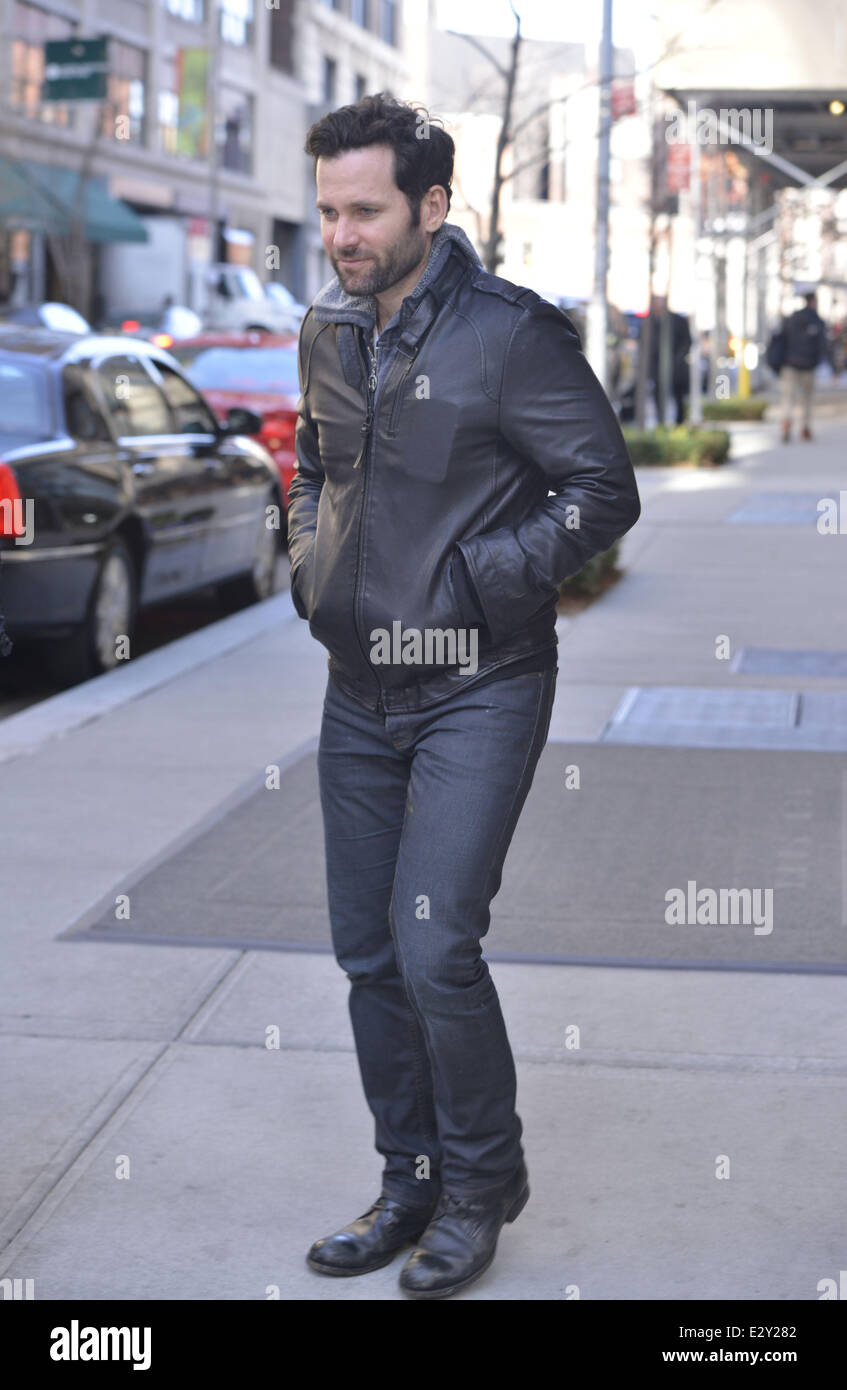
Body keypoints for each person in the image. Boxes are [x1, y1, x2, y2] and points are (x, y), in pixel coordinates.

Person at [287, 92, 641, 1300]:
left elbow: (601, 487)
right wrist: (308, 563)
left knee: (434, 942)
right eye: (328, 208)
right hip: (355, 692)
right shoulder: (325, 329)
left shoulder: (507, 333)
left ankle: (483, 1187)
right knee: (369, 954)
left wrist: (480, 579)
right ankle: (410, 1178)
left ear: (432, 207)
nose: (341, 232)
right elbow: (313, 465)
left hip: (477, 687)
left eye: (365, 209)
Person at [779, 291, 827, 441]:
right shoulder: (817, 321)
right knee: (807, 398)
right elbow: (823, 345)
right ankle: (805, 427)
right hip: (808, 365)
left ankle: (787, 419)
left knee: (788, 397)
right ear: (813, 301)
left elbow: (781, 339)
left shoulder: (792, 318)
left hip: (789, 364)